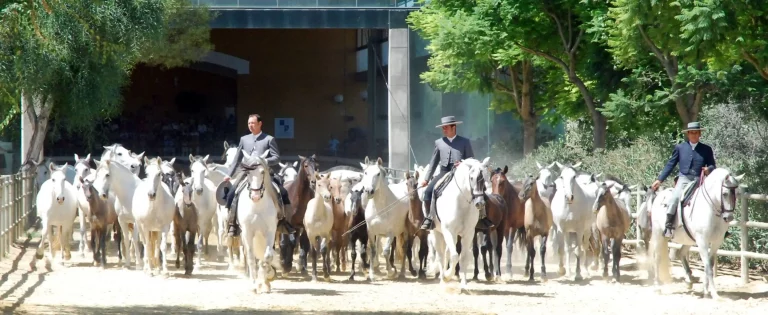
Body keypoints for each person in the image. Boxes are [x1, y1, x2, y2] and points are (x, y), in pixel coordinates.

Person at [218, 114, 296, 237]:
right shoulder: (244, 139)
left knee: (283, 192)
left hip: (264, 172)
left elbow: (276, 157)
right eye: (249, 123)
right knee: (232, 192)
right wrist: (229, 174)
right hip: (246, 172)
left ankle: (283, 221)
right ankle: (232, 223)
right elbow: (237, 159)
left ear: (260, 124)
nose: (250, 125)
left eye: (253, 123)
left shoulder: (269, 139)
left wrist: (264, 161)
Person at [418, 116, 495, 231]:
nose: (444, 130)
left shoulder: (464, 142)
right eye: (443, 128)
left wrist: (463, 163)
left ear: (453, 127)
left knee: (480, 191)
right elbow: (433, 162)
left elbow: (472, 160)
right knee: (428, 192)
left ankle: (482, 217)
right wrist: (426, 179)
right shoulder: (439, 142)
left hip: (461, 173)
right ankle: (429, 218)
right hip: (444, 172)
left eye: (446, 127)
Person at [651, 121, 716, 239]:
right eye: (691, 133)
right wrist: (660, 180)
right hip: (684, 179)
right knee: (674, 198)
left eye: (696, 133)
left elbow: (712, 165)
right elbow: (670, 164)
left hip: (699, 180)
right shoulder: (680, 147)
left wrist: (708, 169)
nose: (694, 135)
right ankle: (669, 225)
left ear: (700, 134)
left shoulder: (706, 149)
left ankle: (718, 228)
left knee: (713, 199)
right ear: (688, 134)